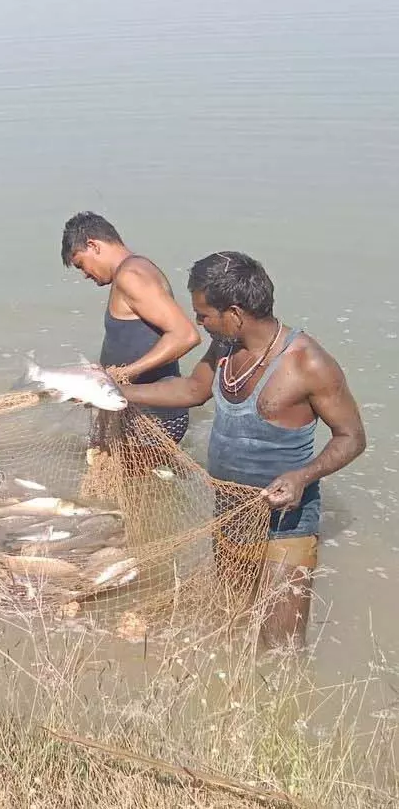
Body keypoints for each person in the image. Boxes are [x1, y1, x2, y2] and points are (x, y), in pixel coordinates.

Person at [120, 252, 366, 649]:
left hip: (285, 522)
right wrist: (119, 392)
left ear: (234, 313)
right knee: (235, 625)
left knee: (281, 647)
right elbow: (192, 390)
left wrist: (302, 476)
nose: (199, 324)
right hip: (229, 512)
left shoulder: (308, 362)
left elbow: (352, 437)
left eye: (204, 315)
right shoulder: (224, 348)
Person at [61, 212, 201, 445]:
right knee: (143, 478)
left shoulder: (131, 275)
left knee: (135, 478)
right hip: (141, 407)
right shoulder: (136, 269)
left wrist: (125, 373)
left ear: (93, 245)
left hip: (153, 415)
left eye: (80, 264)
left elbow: (185, 335)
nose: (85, 274)